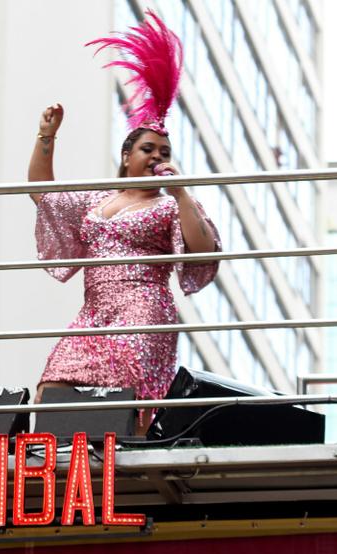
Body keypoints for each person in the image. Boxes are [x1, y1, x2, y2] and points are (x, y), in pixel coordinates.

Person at [28, 12, 220, 430]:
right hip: (94, 311)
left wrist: (182, 190)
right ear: (126, 157)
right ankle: (55, 463)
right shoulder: (98, 199)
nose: (157, 157)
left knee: (126, 402)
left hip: (143, 310)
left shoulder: (170, 205)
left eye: (164, 153)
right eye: (148, 149)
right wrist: (47, 136)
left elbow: (203, 250)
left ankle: (125, 465)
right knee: (54, 384)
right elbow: (42, 192)